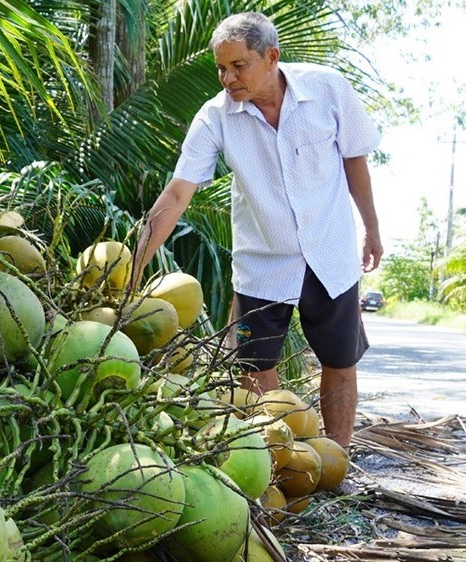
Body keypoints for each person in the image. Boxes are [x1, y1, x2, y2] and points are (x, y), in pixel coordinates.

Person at [130, 12, 382, 447]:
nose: (228, 78)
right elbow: (176, 195)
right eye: (221, 68)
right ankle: (276, 460)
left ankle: (336, 459)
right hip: (262, 264)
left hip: (330, 253)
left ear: (272, 56)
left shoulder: (327, 89)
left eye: (238, 66)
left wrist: (372, 229)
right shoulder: (215, 118)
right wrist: (133, 267)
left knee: (339, 361)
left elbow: (354, 159)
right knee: (251, 365)